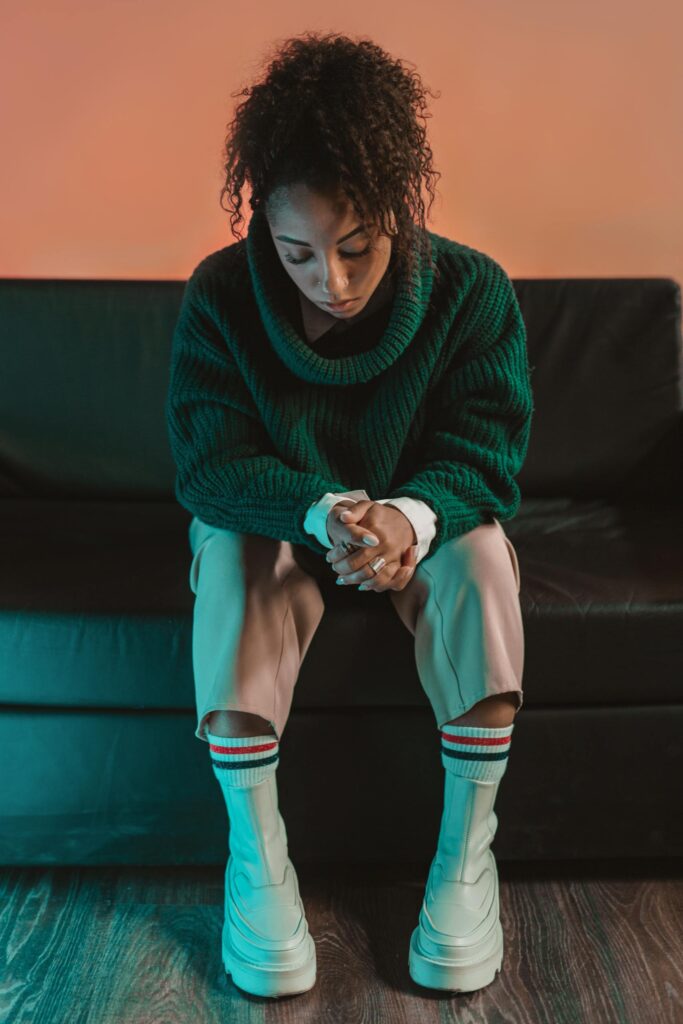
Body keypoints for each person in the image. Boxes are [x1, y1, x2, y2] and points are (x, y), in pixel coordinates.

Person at [165, 30, 534, 1000]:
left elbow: (486, 454)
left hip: (423, 535)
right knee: (232, 552)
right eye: (297, 252)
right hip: (286, 527)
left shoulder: (472, 291)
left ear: (397, 211)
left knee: (484, 556)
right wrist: (320, 506)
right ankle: (259, 862)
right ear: (264, 232)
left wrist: (411, 517)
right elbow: (211, 464)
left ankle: (464, 861)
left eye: (355, 247)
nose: (329, 278)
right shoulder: (217, 297)